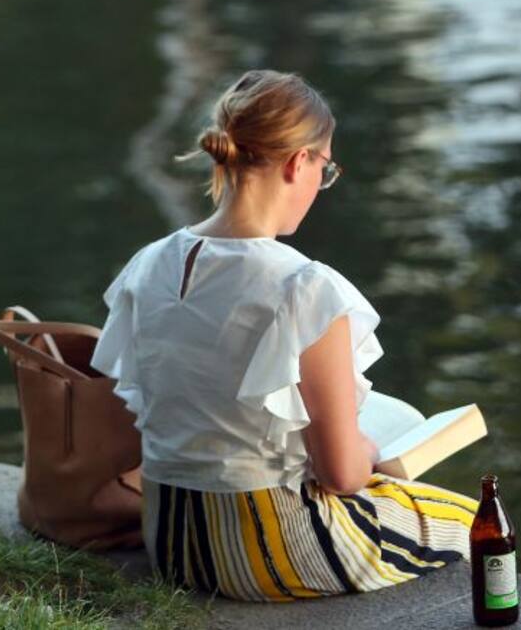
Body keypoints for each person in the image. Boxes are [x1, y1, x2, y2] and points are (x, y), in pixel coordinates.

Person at [91, 69, 478, 601]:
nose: (323, 181)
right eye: (327, 167)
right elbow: (342, 475)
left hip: (172, 541)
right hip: (260, 551)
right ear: (300, 163)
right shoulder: (303, 286)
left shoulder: (148, 263)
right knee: (477, 524)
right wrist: (367, 448)